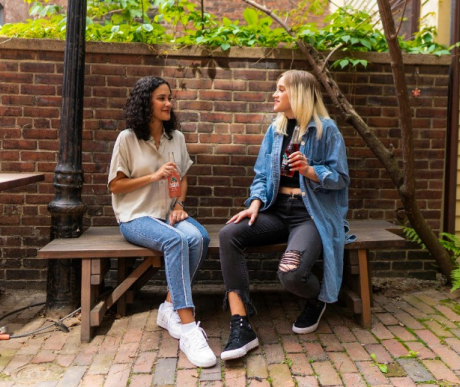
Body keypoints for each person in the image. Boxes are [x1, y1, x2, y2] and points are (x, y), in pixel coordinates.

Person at [219, 70, 352, 361]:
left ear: (299, 94)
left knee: (290, 276)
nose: (274, 94)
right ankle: (241, 323)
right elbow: (261, 175)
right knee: (229, 234)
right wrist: (255, 202)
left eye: (281, 89)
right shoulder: (275, 130)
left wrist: (310, 171)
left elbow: (341, 178)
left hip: (311, 214)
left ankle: (318, 297)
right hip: (276, 211)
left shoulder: (326, 130)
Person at [108, 76, 216, 368]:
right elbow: (116, 186)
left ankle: (168, 306)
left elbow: (182, 178)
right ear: (146, 102)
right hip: (135, 217)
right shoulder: (127, 139)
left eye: (170, 98)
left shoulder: (176, 138)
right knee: (177, 239)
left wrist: (179, 204)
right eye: (161, 98)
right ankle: (188, 326)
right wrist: (153, 176)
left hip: (167, 214)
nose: (169, 103)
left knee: (200, 237)